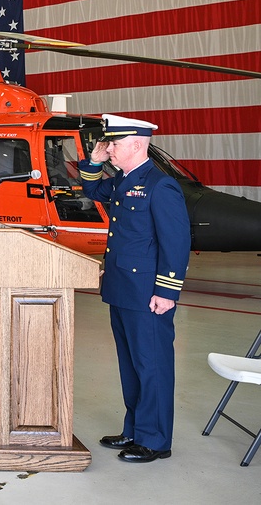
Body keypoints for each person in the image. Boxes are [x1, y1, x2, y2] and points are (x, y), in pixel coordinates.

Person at [79, 114, 191, 464]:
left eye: (114, 143)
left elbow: (176, 242)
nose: (108, 148)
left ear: (137, 145)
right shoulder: (124, 180)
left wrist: (167, 292)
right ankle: (136, 430)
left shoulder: (160, 186)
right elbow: (92, 189)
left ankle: (155, 441)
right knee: (131, 365)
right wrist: (93, 162)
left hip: (148, 295)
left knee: (152, 365)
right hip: (122, 289)